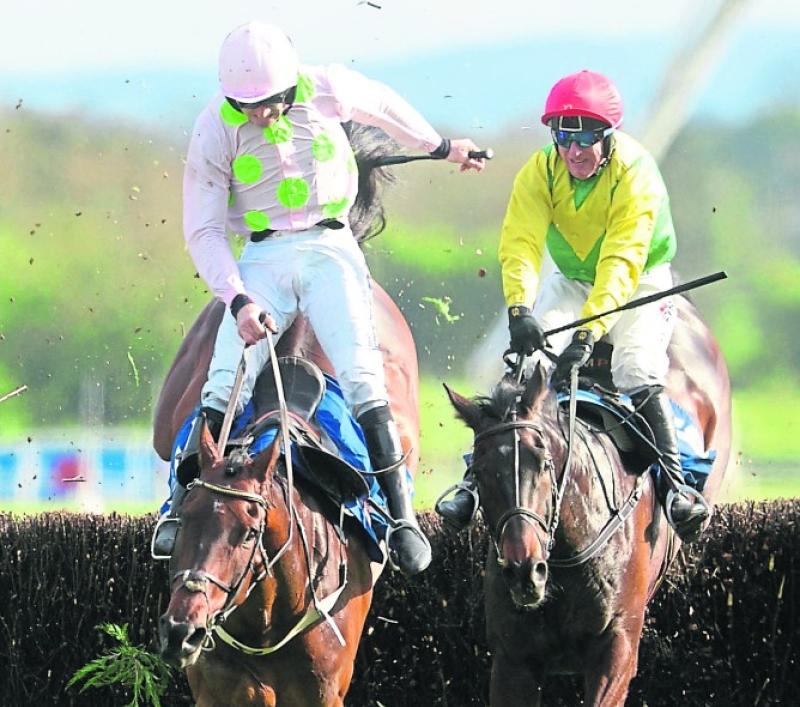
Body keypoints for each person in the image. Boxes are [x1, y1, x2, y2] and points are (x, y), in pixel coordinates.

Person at [154, 21, 486, 577]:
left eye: (271, 103)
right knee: (224, 377)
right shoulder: (214, 126)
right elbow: (204, 231)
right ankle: (176, 500)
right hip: (261, 259)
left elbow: (383, 106)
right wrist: (236, 300)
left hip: (332, 250)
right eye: (248, 105)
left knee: (361, 376)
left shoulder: (327, 86)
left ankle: (402, 519)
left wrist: (443, 146)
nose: (260, 115)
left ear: (291, 85)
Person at [436, 69, 709, 543]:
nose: (574, 149)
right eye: (563, 135)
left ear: (608, 135)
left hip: (640, 279)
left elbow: (623, 261)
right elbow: (520, 242)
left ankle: (676, 488)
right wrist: (520, 310)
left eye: (585, 136)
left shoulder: (636, 173)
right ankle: (470, 483)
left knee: (634, 369)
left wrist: (589, 332)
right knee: (524, 366)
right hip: (573, 280)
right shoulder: (540, 171)